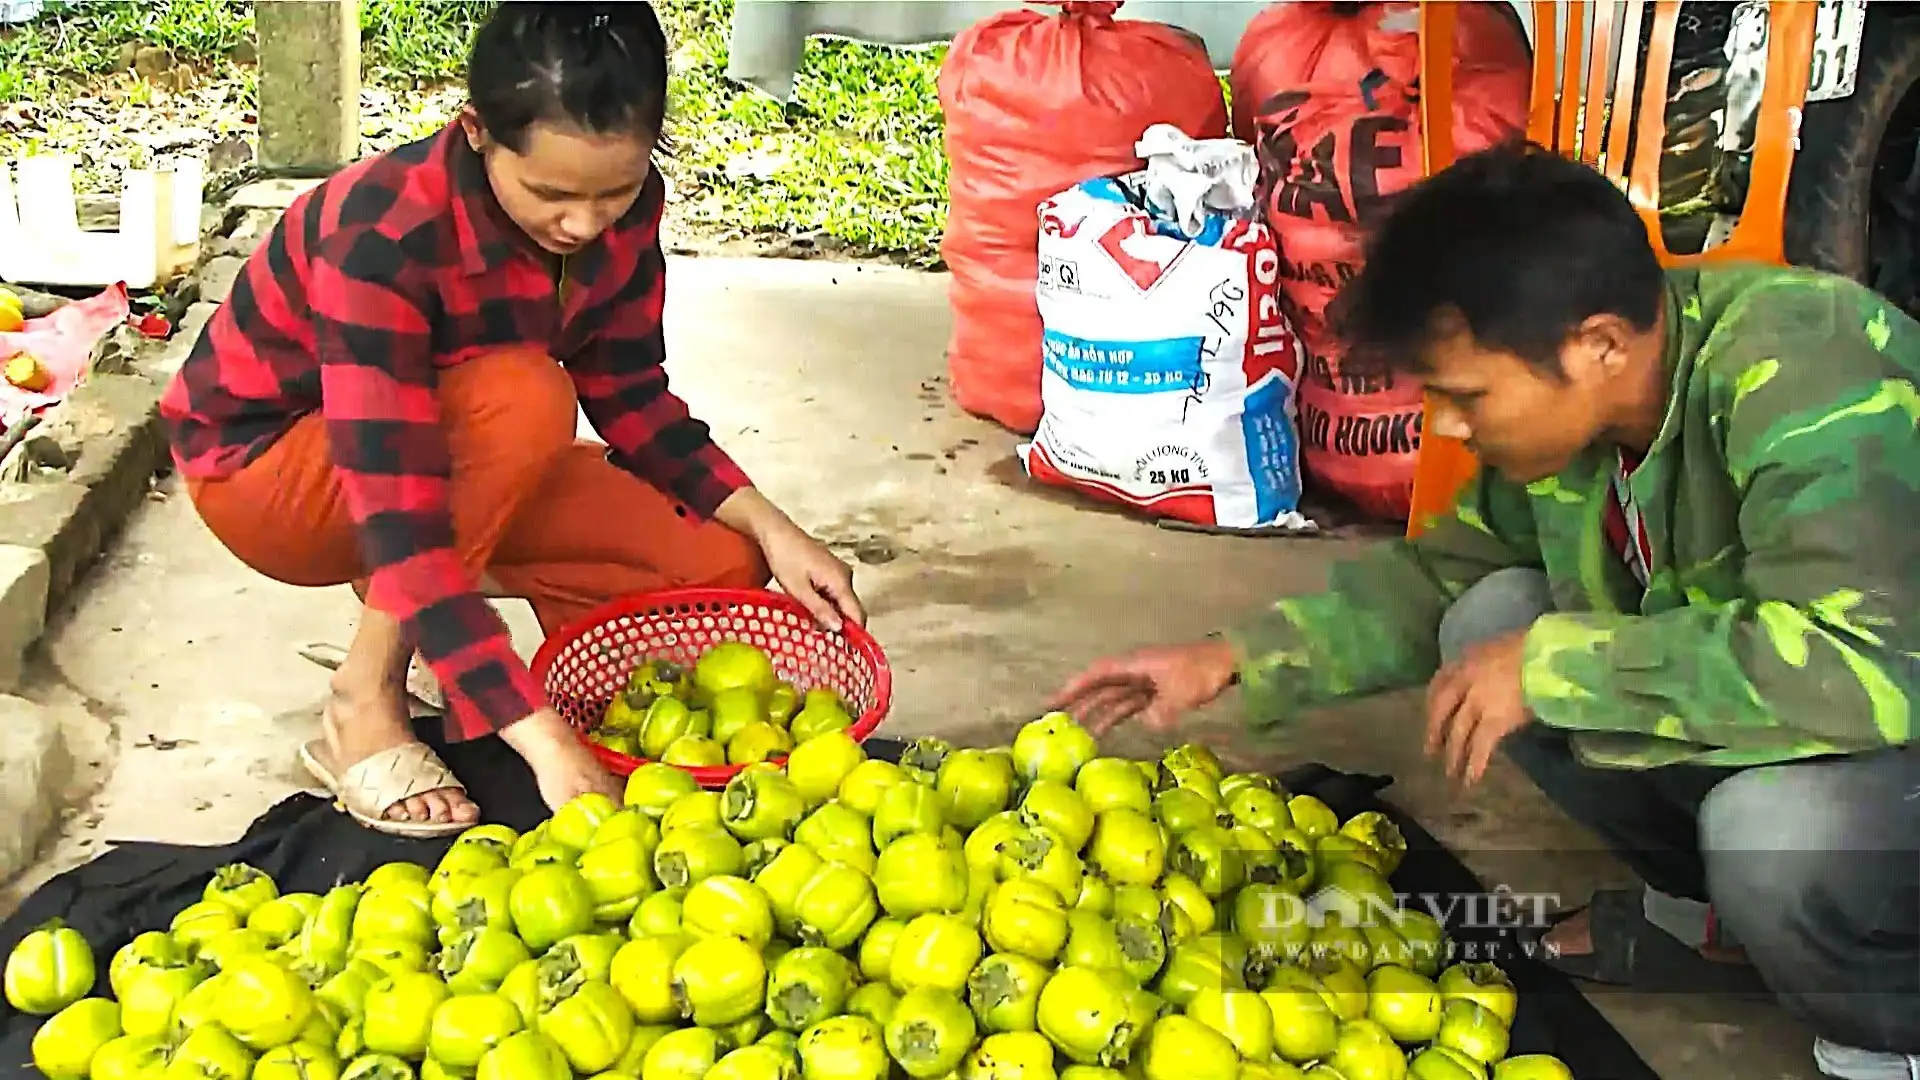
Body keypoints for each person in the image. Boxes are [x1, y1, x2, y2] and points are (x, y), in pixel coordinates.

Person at [1051, 141, 1919, 1080]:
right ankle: (1715, 921)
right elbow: (1439, 579)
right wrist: (1234, 658)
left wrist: (1556, 666)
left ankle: (1884, 1027)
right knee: (1486, 622)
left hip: (1888, 718)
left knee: (1774, 836)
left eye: (1466, 395)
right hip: (1822, 716)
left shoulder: (1803, 371)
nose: (1448, 425)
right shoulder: (1594, 413)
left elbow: (1859, 663)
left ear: (1599, 346)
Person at [160, 3, 864, 838]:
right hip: (270, 476)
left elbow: (632, 394)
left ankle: (450, 633)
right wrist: (546, 744)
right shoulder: (382, 233)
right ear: (476, 133)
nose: (583, 224)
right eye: (551, 193)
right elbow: (400, 517)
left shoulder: (621, 213)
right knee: (527, 398)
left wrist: (776, 527)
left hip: (451, 457)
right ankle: (365, 696)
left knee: (717, 561)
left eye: (617, 191)